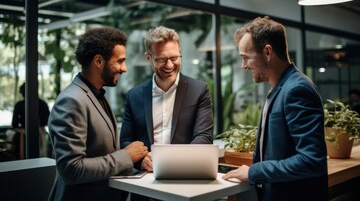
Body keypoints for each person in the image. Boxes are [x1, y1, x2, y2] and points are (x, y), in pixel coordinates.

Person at [222, 16, 328, 201]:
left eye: (246, 57)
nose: (243, 66)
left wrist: (255, 172)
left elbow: (311, 160)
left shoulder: (297, 89)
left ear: (268, 52)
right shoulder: (279, 87)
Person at [47, 27, 148, 201]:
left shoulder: (97, 94)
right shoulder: (71, 101)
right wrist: (126, 156)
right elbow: (72, 169)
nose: (125, 69)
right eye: (120, 61)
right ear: (99, 61)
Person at [120, 25, 214, 171]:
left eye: (174, 57)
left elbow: (204, 137)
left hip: (184, 174)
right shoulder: (134, 96)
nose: (169, 65)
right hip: (145, 180)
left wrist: (172, 162)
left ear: (180, 53)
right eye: (162, 59)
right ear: (148, 58)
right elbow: (125, 141)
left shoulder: (199, 90)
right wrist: (141, 161)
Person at [11, 82, 50, 158]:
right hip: (40, 135)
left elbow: (14, 124)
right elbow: (48, 120)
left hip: (23, 136)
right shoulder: (43, 104)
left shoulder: (19, 105)